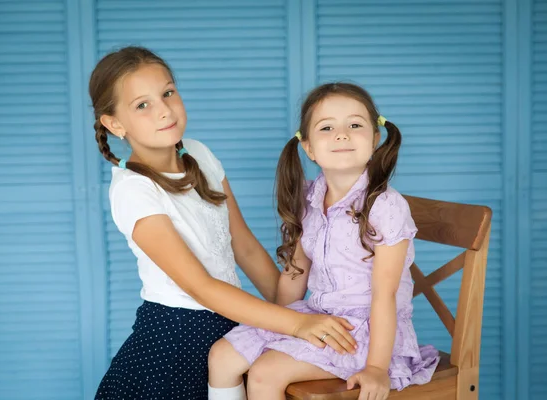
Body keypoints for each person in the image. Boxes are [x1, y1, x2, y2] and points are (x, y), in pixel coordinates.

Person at [89, 47, 357, 400]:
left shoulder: (199, 154)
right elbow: (201, 287)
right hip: (175, 338)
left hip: (226, 321)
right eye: (142, 105)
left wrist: (289, 313)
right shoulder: (133, 190)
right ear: (114, 124)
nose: (164, 110)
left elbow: (242, 244)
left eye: (168, 93)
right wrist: (297, 323)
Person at [208, 83, 440, 400]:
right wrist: (279, 323)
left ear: (375, 139)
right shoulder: (310, 197)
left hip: (366, 333)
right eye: (327, 127)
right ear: (309, 148)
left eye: (355, 125)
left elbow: (385, 296)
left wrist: (375, 367)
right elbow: (297, 271)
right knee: (221, 356)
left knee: (265, 373)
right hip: (318, 317)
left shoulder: (385, 207)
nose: (341, 134)